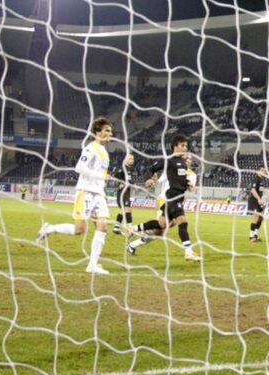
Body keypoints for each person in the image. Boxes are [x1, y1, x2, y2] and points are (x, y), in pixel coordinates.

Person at [35, 117, 114, 275]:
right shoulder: (91, 148)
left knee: (103, 226)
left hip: (98, 193)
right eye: (107, 130)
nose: (110, 134)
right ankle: (49, 229)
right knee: (80, 230)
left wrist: (103, 189)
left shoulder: (105, 152)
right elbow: (79, 167)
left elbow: (100, 174)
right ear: (97, 132)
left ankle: (93, 264)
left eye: (111, 131)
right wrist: (100, 177)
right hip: (85, 192)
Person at [125, 136, 200, 262]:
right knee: (183, 222)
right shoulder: (169, 160)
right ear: (175, 146)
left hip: (178, 196)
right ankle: (188, 252)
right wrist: (148, 179)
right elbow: (151, 169)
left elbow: (180, 179)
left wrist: (188, 184)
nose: (185, 148)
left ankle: (134, 229)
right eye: (183, 145)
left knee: (161, 225)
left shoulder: (182, 163)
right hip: (172, 196)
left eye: (186, 146)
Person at [112, 153, 135, 235]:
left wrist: (133, 183)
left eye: (132, 159)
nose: (132, 160)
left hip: (127, 191)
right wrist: (119, 183)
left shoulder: (129, 168)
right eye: (130, 159)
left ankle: (116, 228)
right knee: (127, 209)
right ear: (125, 159)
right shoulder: (122, 167)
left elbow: (128, 179)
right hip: (123, 192)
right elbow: (115, 175)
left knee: (122, 211)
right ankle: (130, 229)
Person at [246, 166, 268, 242]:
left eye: (264, 171)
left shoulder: (262, 181)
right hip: (253, 201)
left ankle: (255, 235)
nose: (263, 172)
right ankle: (251, 237)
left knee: (261, 219)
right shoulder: (256, 179)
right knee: (255, 218)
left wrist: (263, 201)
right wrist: (258, 199)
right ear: (258, 171)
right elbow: (253, 190)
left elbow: (261, 192)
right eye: (262, 170)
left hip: (259, 202)